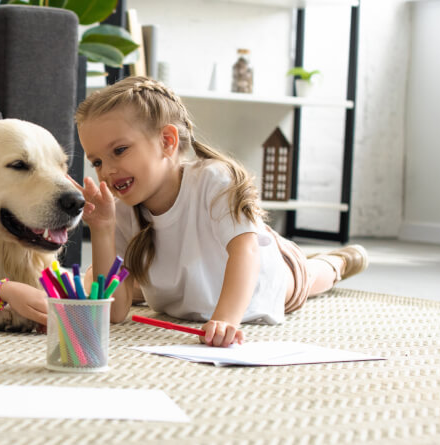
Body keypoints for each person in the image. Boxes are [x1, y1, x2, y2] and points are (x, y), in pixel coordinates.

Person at [72, 76, 368, 347]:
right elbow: (116, 311)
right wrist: (102, 230)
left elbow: (246, 253)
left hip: (264, 272)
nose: (107, 171)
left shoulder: (213, 179)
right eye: (96, 162)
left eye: (120, 150)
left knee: (310, 278)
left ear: (167, 142)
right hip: (188, 286)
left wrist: (226, 319)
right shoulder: (122, 209)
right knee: (122, 281)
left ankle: (336, 263)